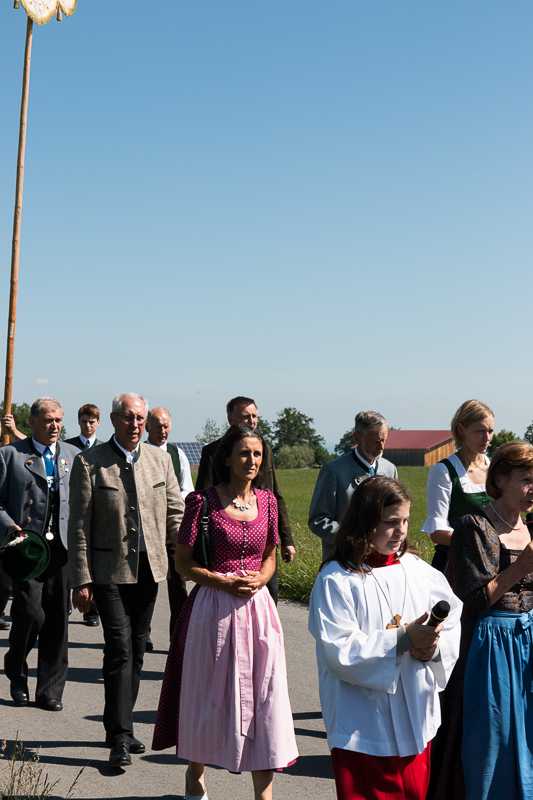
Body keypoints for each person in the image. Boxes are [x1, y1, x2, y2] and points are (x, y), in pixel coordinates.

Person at [152, 424, 298, 800]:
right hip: (212, 609)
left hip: (258, 611)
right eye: (244, 453)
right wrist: (222, 581)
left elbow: (269, 555)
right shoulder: (201, 502)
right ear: (228, 458)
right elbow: (182, 563)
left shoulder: (268, 501)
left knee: (265, 697)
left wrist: (261, 579)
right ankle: (195, 770)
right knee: (206, 692)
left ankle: (263, 795)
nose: (252, 460)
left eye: (257, 454)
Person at [309, 476, 461, 800]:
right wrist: (404, 639)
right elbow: (338, 650)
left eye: (405, 520)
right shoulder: (336, 579)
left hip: (415, 717)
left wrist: (432, 650)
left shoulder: (420, 571)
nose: (401, 530)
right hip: (363, 724)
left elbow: (453, 622)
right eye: (391, 522)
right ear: (364, 522)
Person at [68, 393, 185, 767]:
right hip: (108, 571)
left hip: (150, 569)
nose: (135, 424)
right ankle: (120, 736)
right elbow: (80, 525)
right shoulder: (90, 462)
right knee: (119, 646)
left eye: (140, 418)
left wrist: (187, 554)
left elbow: (175, 512)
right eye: (128, 417)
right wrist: (80, 579)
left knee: (136, 649)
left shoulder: (160, 459)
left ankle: (121, 724)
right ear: (114, 419)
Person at [429, 441, 533, 800]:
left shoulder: (530, 527)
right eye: (526, 480)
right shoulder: (473, 527)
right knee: (490, 736)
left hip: (526, 642)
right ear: (499, 479)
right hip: (488, 648)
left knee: (526, 732)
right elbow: (471, 601)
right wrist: (521, 566)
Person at [0, 397, 79, 710]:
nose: (54, 426)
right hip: (26, 550)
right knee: (30, 613)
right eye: (48, 420)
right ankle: (16, 671)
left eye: (58, 420)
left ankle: (50, 690)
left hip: (62, 549)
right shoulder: (11, 455)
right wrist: (8, 526)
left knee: (57, 620)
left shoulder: (74, 456)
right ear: (32, 422)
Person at [196, 396, 295, 604]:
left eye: (254, 416)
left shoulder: (264, 450)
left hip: (261, 541)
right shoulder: (213, 452)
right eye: (245, 416)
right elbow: (202, 500)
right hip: (226, 542)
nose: (251, 421)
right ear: (231, 419)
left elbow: (276, 495)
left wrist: (287, 540)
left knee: (269, 596)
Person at [309, 411, 398, 560]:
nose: (381, 446)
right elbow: (318, 520)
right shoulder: (333, 471)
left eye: (384, 440)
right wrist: (353, 540)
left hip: (381, 558)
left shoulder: (390, 469)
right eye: (376, 441)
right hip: (344, 559)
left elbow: (396, 514)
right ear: (357, 438)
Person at [422, 399, 494, 573]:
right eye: (480, 431)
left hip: (492, 560)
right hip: (455, 562)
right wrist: (483, 542)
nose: (487, 437)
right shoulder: (443, 471)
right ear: (461, 429)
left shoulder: (495, 468)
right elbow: (437, 533)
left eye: (490, 431)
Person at [145, 406, 195, 637]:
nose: (162, 431)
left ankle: (178, 636)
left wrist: (171, 500)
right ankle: (143, 633)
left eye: (166, 427)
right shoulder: (139, 453)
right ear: (147, 427)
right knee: (146, 587)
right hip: (148, 531)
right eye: (158, 427)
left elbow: (187, 489)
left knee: (178, 586)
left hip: (174, 530)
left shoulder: (177, 454)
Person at [65, 403, 105, 626]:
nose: (88, 425)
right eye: (84, 421)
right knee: (70, 555)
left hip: (96, 509)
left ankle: (91, 611)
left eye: (92, 422)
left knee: (93, 560)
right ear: (78, 422)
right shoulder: (66, 447)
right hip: (70, 505)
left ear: (98, 423)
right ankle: (66, 602)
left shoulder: (105, 449)